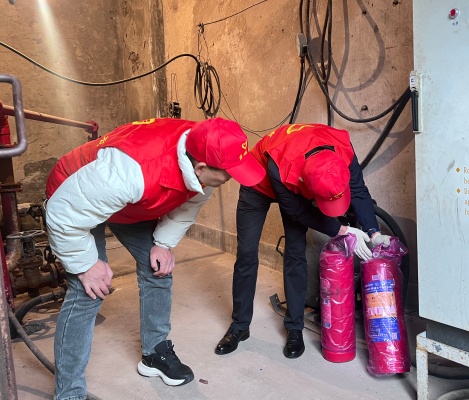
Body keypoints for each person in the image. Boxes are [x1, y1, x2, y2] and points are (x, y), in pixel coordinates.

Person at [45, 117, 265, 400]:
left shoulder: (205, 149)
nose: (232, 178)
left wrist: (163, 244)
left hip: (126, 201)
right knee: (89, 291)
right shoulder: (129, 173)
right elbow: (64, 215)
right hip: (73, 197)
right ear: (201, 168)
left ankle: (154, 354)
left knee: (158, 268)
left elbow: (189, 203)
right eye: (230, 174)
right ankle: (69, 392)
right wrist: (86, 265)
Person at [215, 123, 391, 359]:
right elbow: (297, 211)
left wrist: (373, 231)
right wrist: (342, 229)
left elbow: (358, 191)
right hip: (259, 184)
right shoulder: (281, 164)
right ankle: (239, 326)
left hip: (295, 183)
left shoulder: (344, 150)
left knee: (296, 252)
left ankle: (294, 327)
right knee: (247, 253)